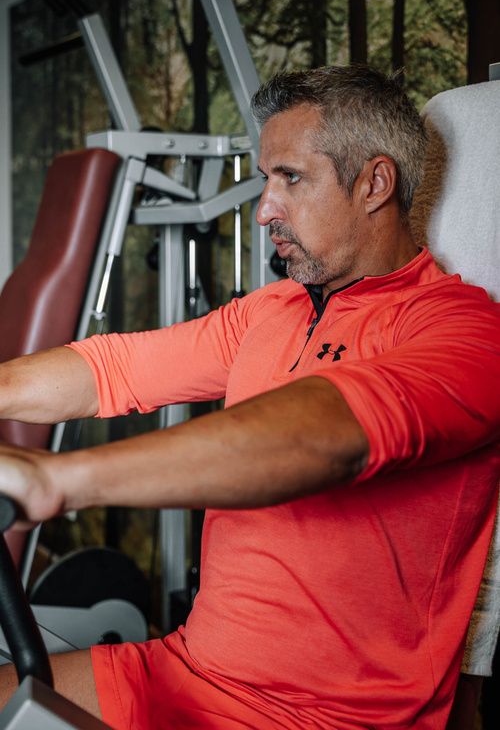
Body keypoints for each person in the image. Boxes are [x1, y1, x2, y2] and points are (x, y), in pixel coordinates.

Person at [0, 62, 499, 730]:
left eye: (289, 178)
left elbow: (330, 432)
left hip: (322, 718)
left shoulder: (463, 328)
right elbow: (112, 369)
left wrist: (57, 480)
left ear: (375, 183)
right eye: (267, 180)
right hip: (187, 669)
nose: (264, 209)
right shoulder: (275, 311)